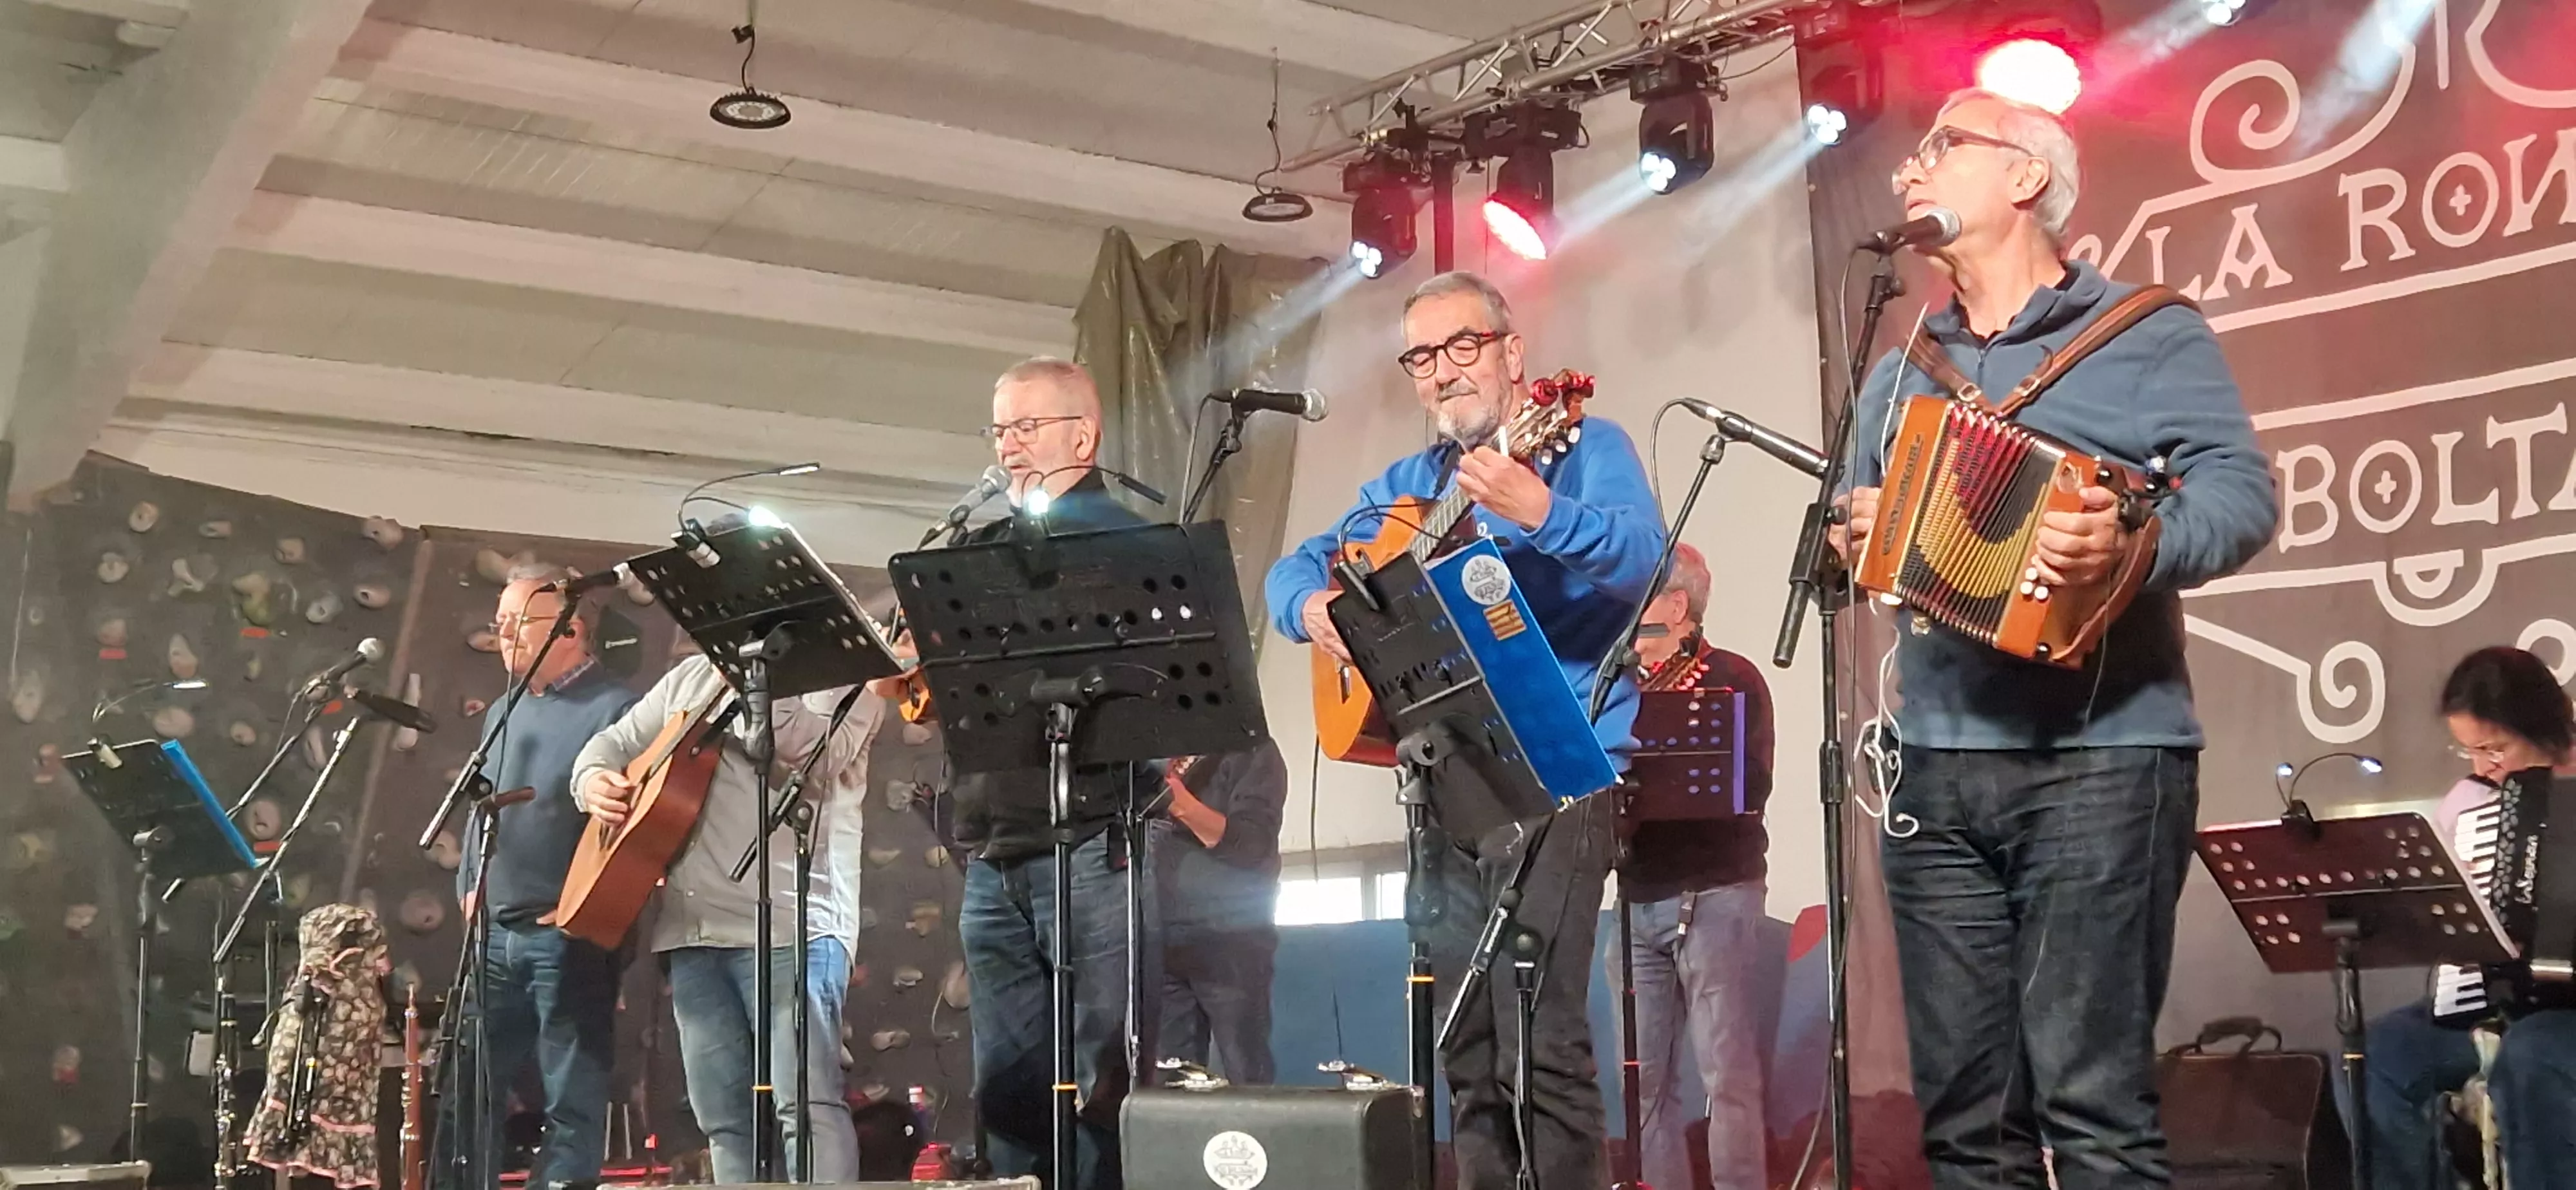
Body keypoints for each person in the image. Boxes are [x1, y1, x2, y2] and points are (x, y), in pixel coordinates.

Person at [1830, 90, 2278, 1187]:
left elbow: (2241, 495)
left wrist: (2128, 545)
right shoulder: (1900, 371)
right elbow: (1857, 520)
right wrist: (1858, 532)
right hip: (1936, 765)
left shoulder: (2144, 330)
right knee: (1965, 1125)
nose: (1907, 171)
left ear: (2026, 177)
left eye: (1944, 147)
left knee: (2093, 1108)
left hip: (2106, 755)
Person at [1265, 270, 1662, 1190]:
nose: (1442, 371)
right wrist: (1312, 606)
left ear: (1512, 355)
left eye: (1463, 347)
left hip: (1565, 765)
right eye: (1421, 356)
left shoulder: (1585, 444)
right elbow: (1292, 566)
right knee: (1467, 1041)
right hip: (1445, 774)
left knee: (1544, 1035)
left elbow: (1644, 557)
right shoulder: (1405, 488)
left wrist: (1541, 513)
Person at [880, 357, 1163, 1190]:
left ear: (1084, 434)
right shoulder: (977, 549)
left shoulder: (1132, 546)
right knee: (1005, 1080)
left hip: (1094, 841)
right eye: (1000, 428)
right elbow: (935, 697)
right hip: (994, 848)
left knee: (1107, 1069)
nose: (1009, 446)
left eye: (1027, 426)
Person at [571, 587, 881, 1184]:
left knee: (806, 1106)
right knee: (724, 1120)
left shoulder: (842, 677)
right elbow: (613, 742)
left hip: (796, 927)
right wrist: (592, 781)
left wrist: (750, 689)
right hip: (692, 932)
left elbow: (814, 755)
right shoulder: (690, 677)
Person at [442, 568, 640, 1190]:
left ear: (571, 631)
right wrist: (468, 885)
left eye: (515, 622)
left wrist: (583, 906)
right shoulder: (503, 710)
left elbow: (627, 831)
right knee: (468, 1087)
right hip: (493, 933)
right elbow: (482, 808)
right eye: (498, 620)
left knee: (571, 1098)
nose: (501, 634)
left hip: (567, 932)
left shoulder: (619, 710)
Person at [2365, 647, 2576, 1188]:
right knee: (2380, 1052)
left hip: (2563, 1021)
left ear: (2546, 728)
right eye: (2470, 752)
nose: (2483, 768)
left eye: (2495, 750)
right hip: (2499, 1004)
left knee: (2531, 1055)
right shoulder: (2471, 805)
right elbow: (2450, 920)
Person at [1610, 543, 1774, 1190]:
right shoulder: (1613, 687)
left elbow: (1750, 788)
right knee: (1644, 1078)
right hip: (1634, 897)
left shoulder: (1733, 678)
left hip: (1717, 893)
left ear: (1675, 606)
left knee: (1725, 1072)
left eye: (1636, 595)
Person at [1153, 741, 1289, 1086]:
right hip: (1159, 937)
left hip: (1232, 940)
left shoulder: (1254, 750)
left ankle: (1254, 1139)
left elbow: (1253, 844)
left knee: (1245, 1071)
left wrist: (1179, 804)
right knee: (1170, 1078)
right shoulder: (1157, 750)